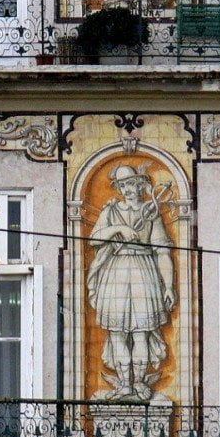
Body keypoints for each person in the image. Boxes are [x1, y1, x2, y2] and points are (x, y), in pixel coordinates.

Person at [86, 163, 175, 401]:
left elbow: (162, 252)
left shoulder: (150, 212)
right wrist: (120, 228)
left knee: (141, 334)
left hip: (144, 272)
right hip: (115, 272)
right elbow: (93, 239)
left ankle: (139, 384)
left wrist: (169, 286)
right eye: (123, 185)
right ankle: (125, 385)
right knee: (116, 332)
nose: (128, 189)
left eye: (132, 184)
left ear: (140, 185)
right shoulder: (111, 211)